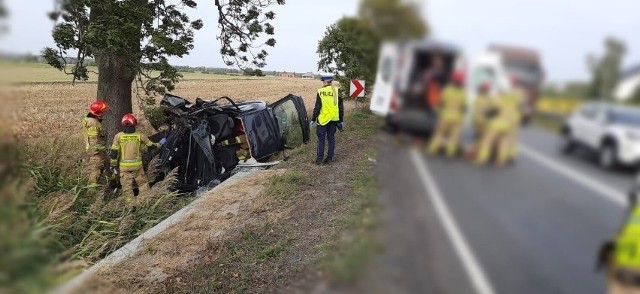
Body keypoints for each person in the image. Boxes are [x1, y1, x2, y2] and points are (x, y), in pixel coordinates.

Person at [109, 113, 162, 202]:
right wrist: (160, 143)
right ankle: (146, 202)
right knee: (143, 184)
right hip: (137, 166)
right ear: (134, 125)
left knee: (127, 188)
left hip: (124, 167)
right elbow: (151, 146)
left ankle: (131, 206)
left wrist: (113, 165)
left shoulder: (118, 136)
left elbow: (114, 153)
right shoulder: (139, 135)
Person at [427, 71, 467, 157]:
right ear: (461, 81)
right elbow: (464, 107)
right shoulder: (463, 93)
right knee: (453, 137)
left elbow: (440, 102)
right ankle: (449, 153)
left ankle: (432, 150)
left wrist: (439, 111)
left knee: (439, 134)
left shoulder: (446, 90)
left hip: (445, 116)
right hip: (457, 118)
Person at [311, 75, 344, 165]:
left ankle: (319, 160)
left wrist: (313, 119)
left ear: (325, 82)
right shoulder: (337, 91)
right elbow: (340, 107)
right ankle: (329, 159)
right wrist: (341, 120)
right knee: (331, 139)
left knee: (321, 140)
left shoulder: (320, 91)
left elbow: (317, 107)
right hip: (334, 119)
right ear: (331, 81)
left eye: (323, 81)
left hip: (323, 119)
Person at [82, 99, 109, 187]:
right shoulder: (94, 123)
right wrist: (101, 148)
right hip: (96, 150)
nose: (105, 113)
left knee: (107, 163)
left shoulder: (88, 119)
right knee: (95, 169)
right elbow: (94, 140)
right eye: (103, 111)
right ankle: (91, 191)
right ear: (99, 113)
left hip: (95, 149)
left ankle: (112, 183)